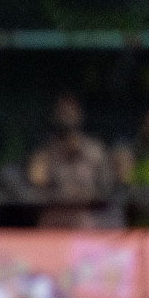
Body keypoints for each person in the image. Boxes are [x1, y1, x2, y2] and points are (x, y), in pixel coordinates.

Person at [26, 92, 121, 228]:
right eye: (62, 110)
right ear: (54, 115)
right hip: (54, 220)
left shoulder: (95, 151)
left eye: (71, 109)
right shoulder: (45, 153)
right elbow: (36, 188)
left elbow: (108, 188)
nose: (67, 115)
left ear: (79, 113)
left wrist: (85, 195)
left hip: (88, 220)